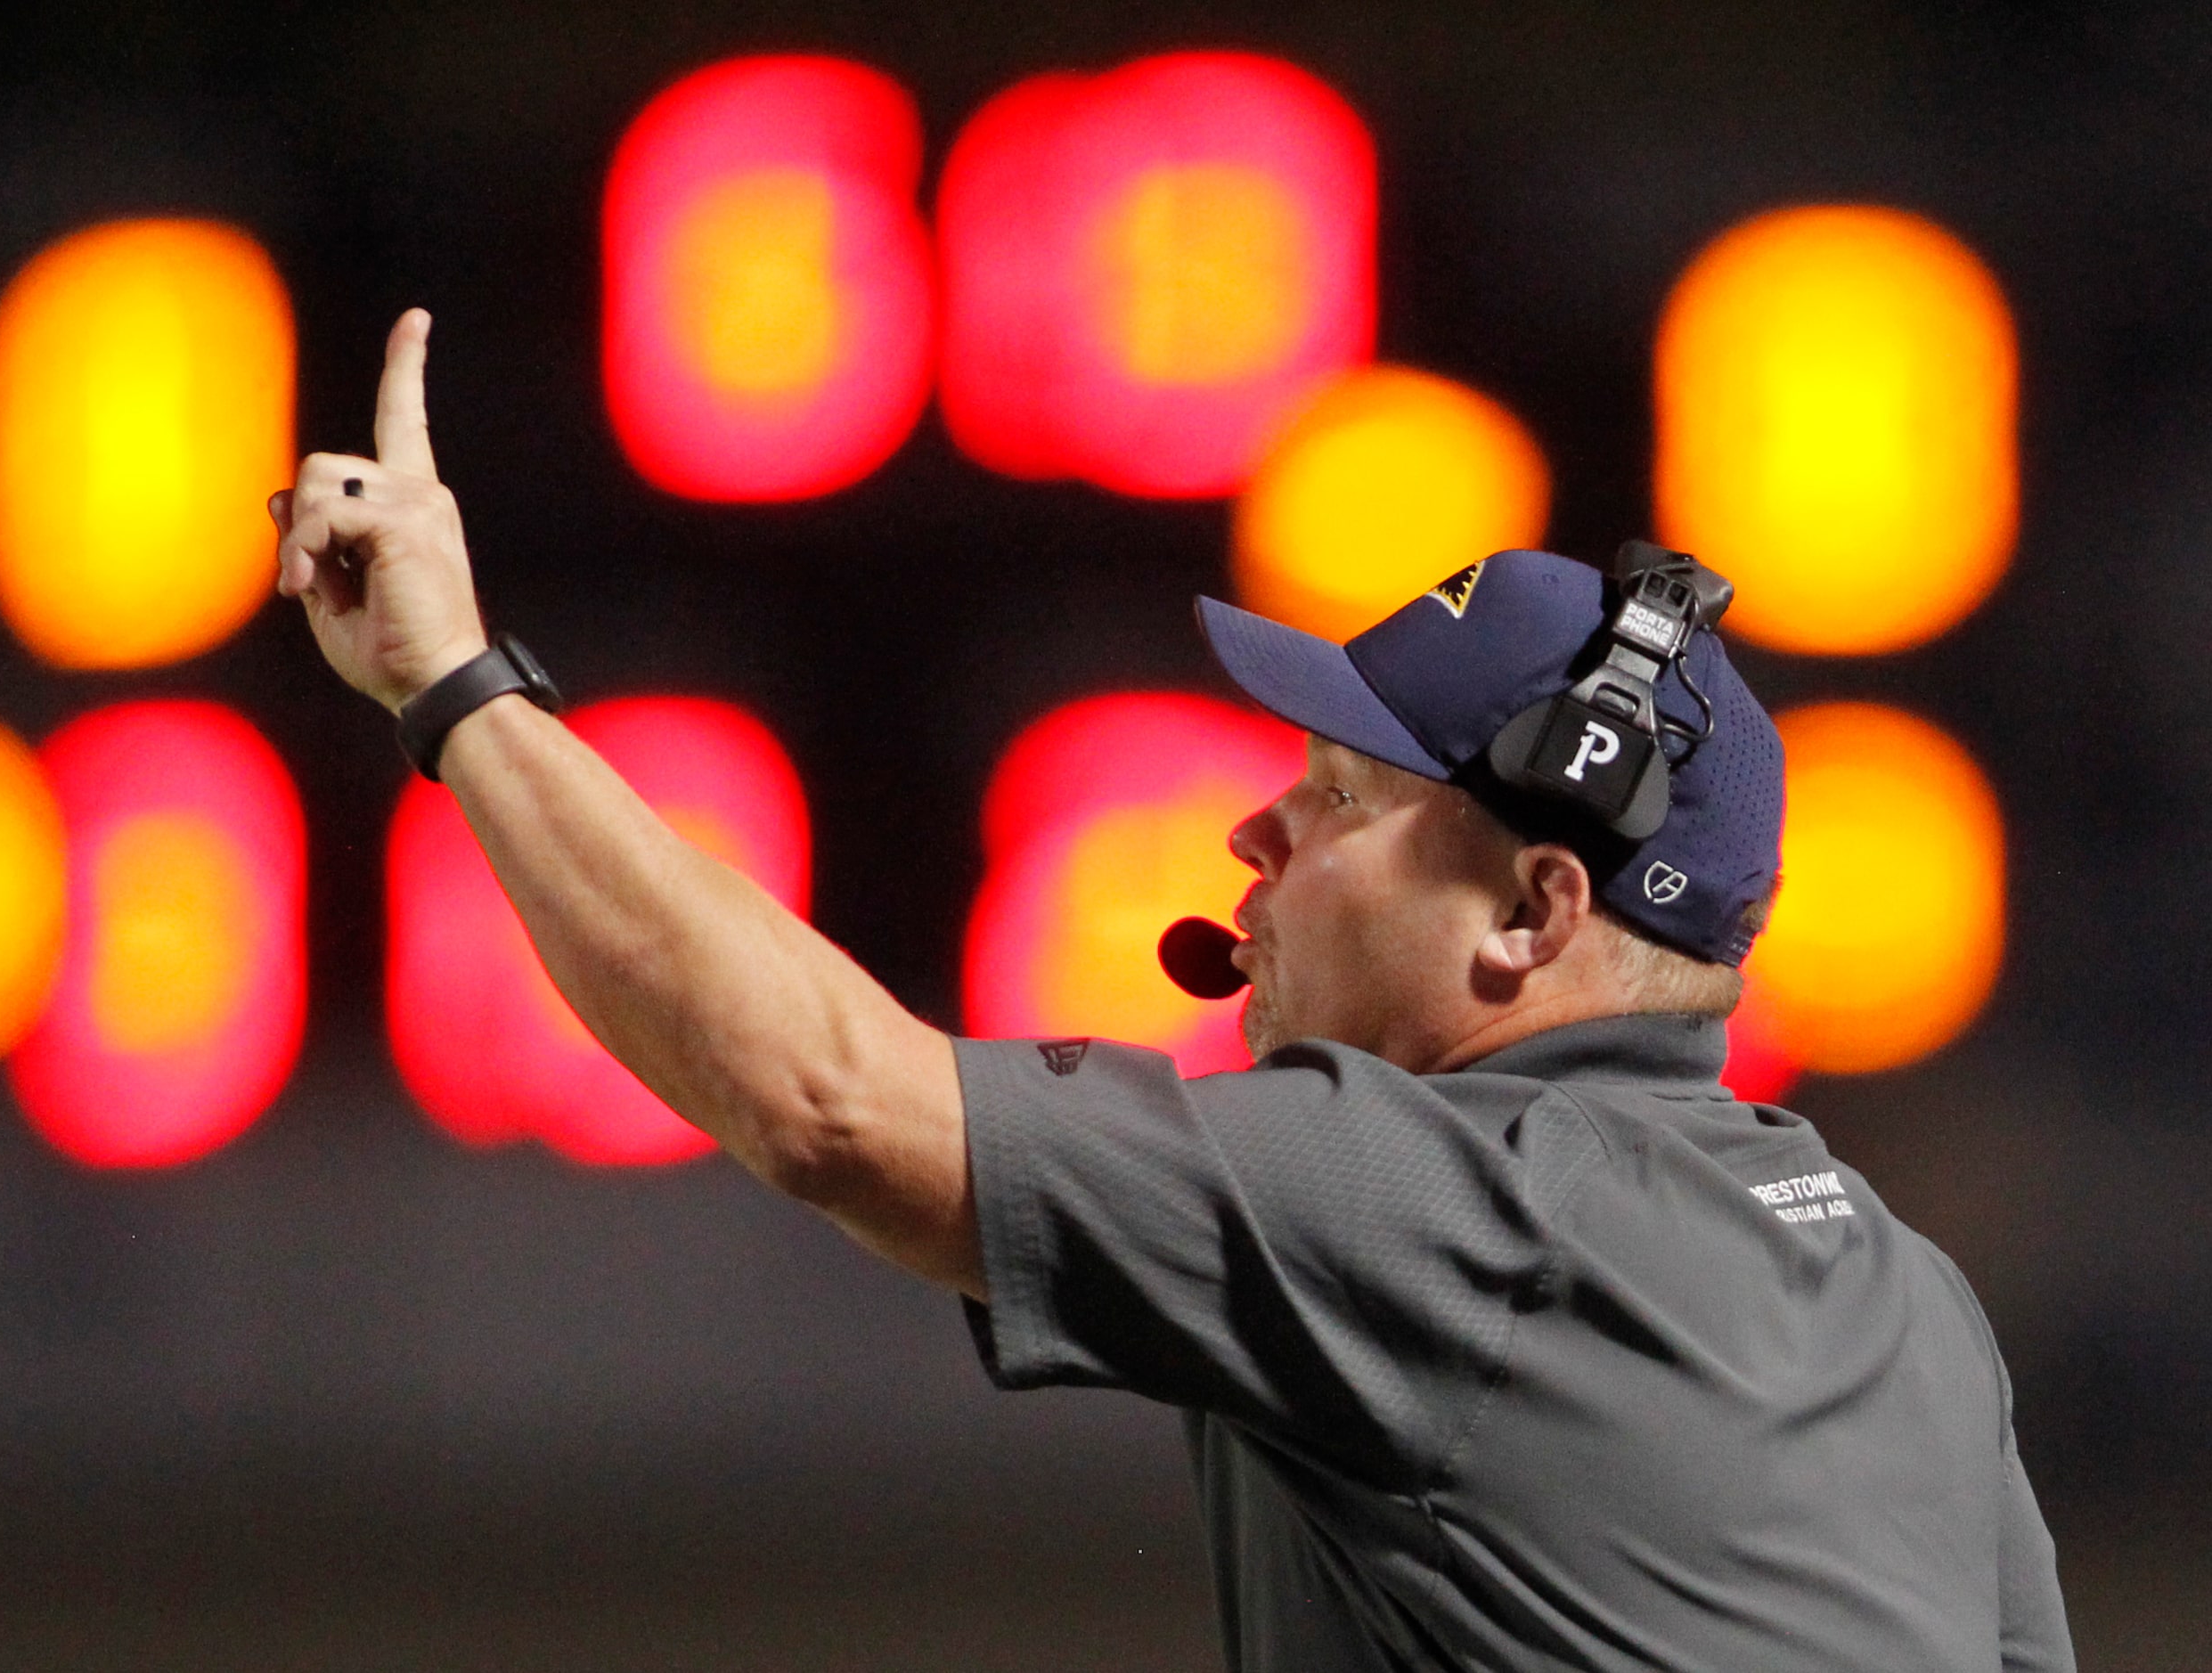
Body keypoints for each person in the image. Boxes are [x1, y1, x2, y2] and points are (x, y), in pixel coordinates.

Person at [273, 312, 2076, 1672]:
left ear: (1532, 913)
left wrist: (450, 688)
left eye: (1345, 800)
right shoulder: (1906, 1296)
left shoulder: (1444, 1199)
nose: (1257, 827)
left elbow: (828, 1101)